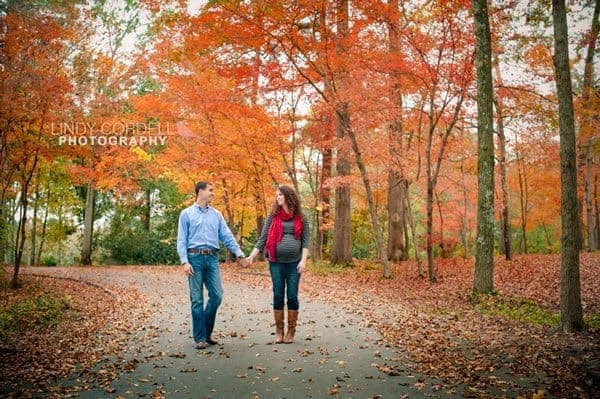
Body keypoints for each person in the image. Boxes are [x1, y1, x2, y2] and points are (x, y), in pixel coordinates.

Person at [177, 181, 248, 349]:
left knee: (217, 295)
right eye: (210, 190)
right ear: (200, 192)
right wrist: (184, 261)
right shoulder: (186, 214)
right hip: (194, 258)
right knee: (197, 299)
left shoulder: (216, 215)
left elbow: (227, 236)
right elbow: (181, 240)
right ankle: (200, 337)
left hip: (212, 259)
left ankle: (206, 332)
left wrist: (239, 254)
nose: (213, 193)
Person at [246, 185, 309, 344]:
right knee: (278, 294)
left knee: (293, 295)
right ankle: (279, 331)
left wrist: (303, 260)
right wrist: (251, 256)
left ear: (288, 196)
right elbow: (263, 238)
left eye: (280, 194)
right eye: (276, 195)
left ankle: (291, 332)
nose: (277, 197)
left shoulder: (301, 217)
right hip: (276, 262)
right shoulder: (273, 216)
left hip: (294, 263)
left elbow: (306, 242)